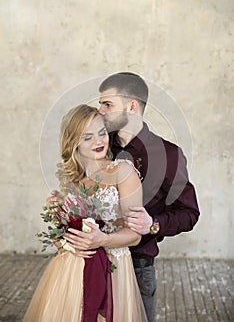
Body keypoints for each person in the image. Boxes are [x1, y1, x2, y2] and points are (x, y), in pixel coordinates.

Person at [61, 72, 200, 322]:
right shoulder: (96, 140)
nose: (100, 110)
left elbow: (189, 213)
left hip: (136, 267)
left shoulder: (168, 155)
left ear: (132, 106)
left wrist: (153, 223)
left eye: (107, 104)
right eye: (100, 103)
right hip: (89, 261)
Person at [23, 104, 148, 322]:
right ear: (74, 142)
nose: (99, 141)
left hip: (112, 270)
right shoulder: (72, 179)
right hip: (70, 271)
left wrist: (103, 239)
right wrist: (59, 221)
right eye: (87, 137)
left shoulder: (123, 172)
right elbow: (61, 239)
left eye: (101, 133)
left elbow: (136, 235)